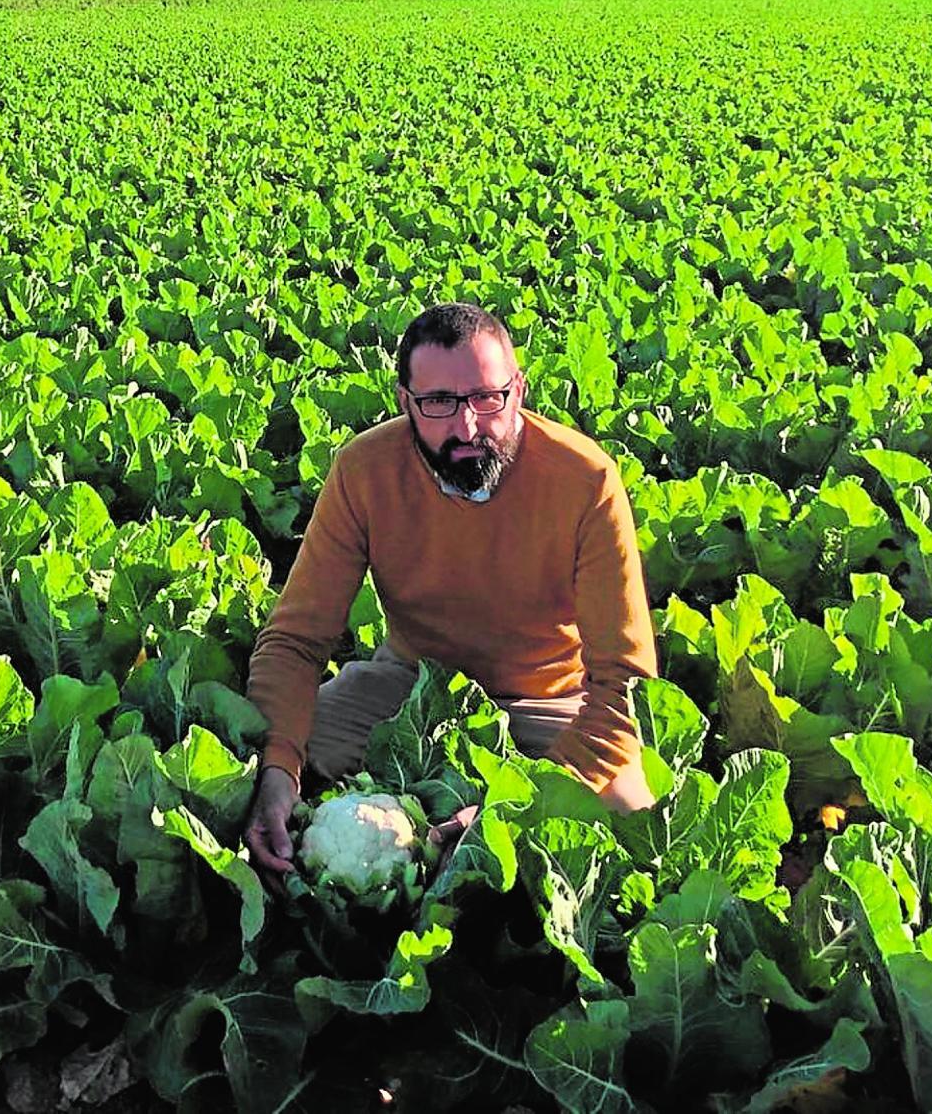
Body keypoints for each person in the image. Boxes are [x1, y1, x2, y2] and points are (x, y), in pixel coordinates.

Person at [243, 302, 658, 877]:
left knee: (632, 815)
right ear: (405, 401)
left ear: (519, 391)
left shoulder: (585, 480)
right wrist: (278, 772)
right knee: (257, 765)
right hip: (407, 691)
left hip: (546, 703)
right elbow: (295, 641)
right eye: (438, 403)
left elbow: (625, 679)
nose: (467, 427)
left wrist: (513, 806)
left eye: (489, 398)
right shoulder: (365, 471)